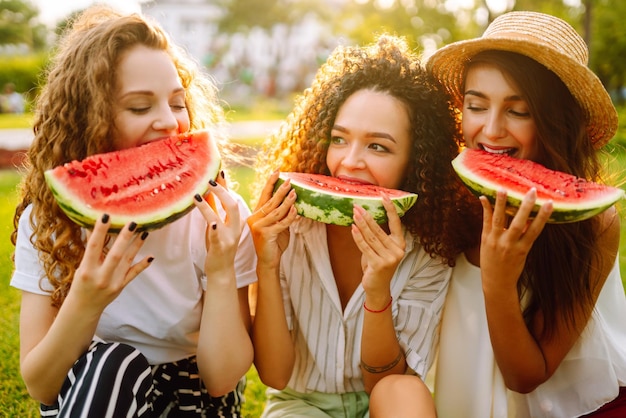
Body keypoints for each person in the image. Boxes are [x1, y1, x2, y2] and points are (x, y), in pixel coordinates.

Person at [369, 11, 626, 418]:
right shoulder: (443, 198)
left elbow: (526, 377)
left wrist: (500, 281)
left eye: (518, 111)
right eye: (476, 105)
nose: (490, 130)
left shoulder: (595, 224)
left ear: (555, 121)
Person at [9, 5, 256, 417]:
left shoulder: (218, 220)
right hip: (89, 387)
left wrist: (221, 267)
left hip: (193, 396)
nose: (169, 122)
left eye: (178, 104)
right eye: (140, 108)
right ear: (89, 117)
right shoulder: (51, 219)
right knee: (113, 364)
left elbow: (222, 379)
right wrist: (86, 300)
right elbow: (41, 385)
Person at [246, 34, 480, 418]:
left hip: (385, 404)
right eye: (339, 139)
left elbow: (385, 384)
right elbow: (274, 374)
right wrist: (267, 266)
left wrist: (378, 292)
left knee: (403, 390)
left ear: (416, 163)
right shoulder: (291, 228)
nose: (350, 161)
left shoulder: (430, 248)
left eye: (378, 147)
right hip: (300, 404)